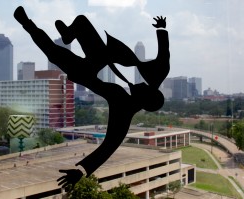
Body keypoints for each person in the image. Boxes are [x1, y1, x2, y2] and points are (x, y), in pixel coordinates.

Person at [14, 6, 170, 189]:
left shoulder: (124, 111)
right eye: (144, 86)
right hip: (102, 56)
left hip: (86, 74)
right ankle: (68, 34)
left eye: (140, 91)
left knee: (52, 52)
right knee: (81, 21)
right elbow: (165, 55)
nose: (139, 86)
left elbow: (108, 147)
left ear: (142, 101)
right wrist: (161, 29)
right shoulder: (156, 75)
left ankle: (26, 22)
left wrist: (82, 170)